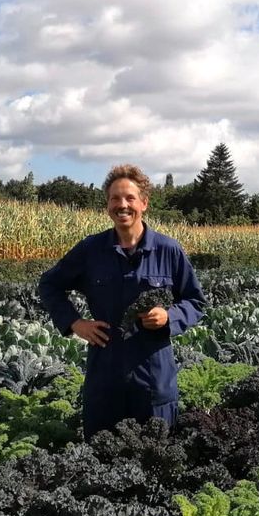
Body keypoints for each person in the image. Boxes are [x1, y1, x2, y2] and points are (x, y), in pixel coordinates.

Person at [38, 164, 206, 438]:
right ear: (107, 205)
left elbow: (195, 301)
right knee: (103, 461)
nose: (122, 205)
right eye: (115, 198)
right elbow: (49, 284)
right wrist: (74, 323)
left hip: (153, 378)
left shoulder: (168, 250)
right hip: (105, 377)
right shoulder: (91, 250)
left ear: (144, 203)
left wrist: (169, 318)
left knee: (156, 460)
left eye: (130, 198)